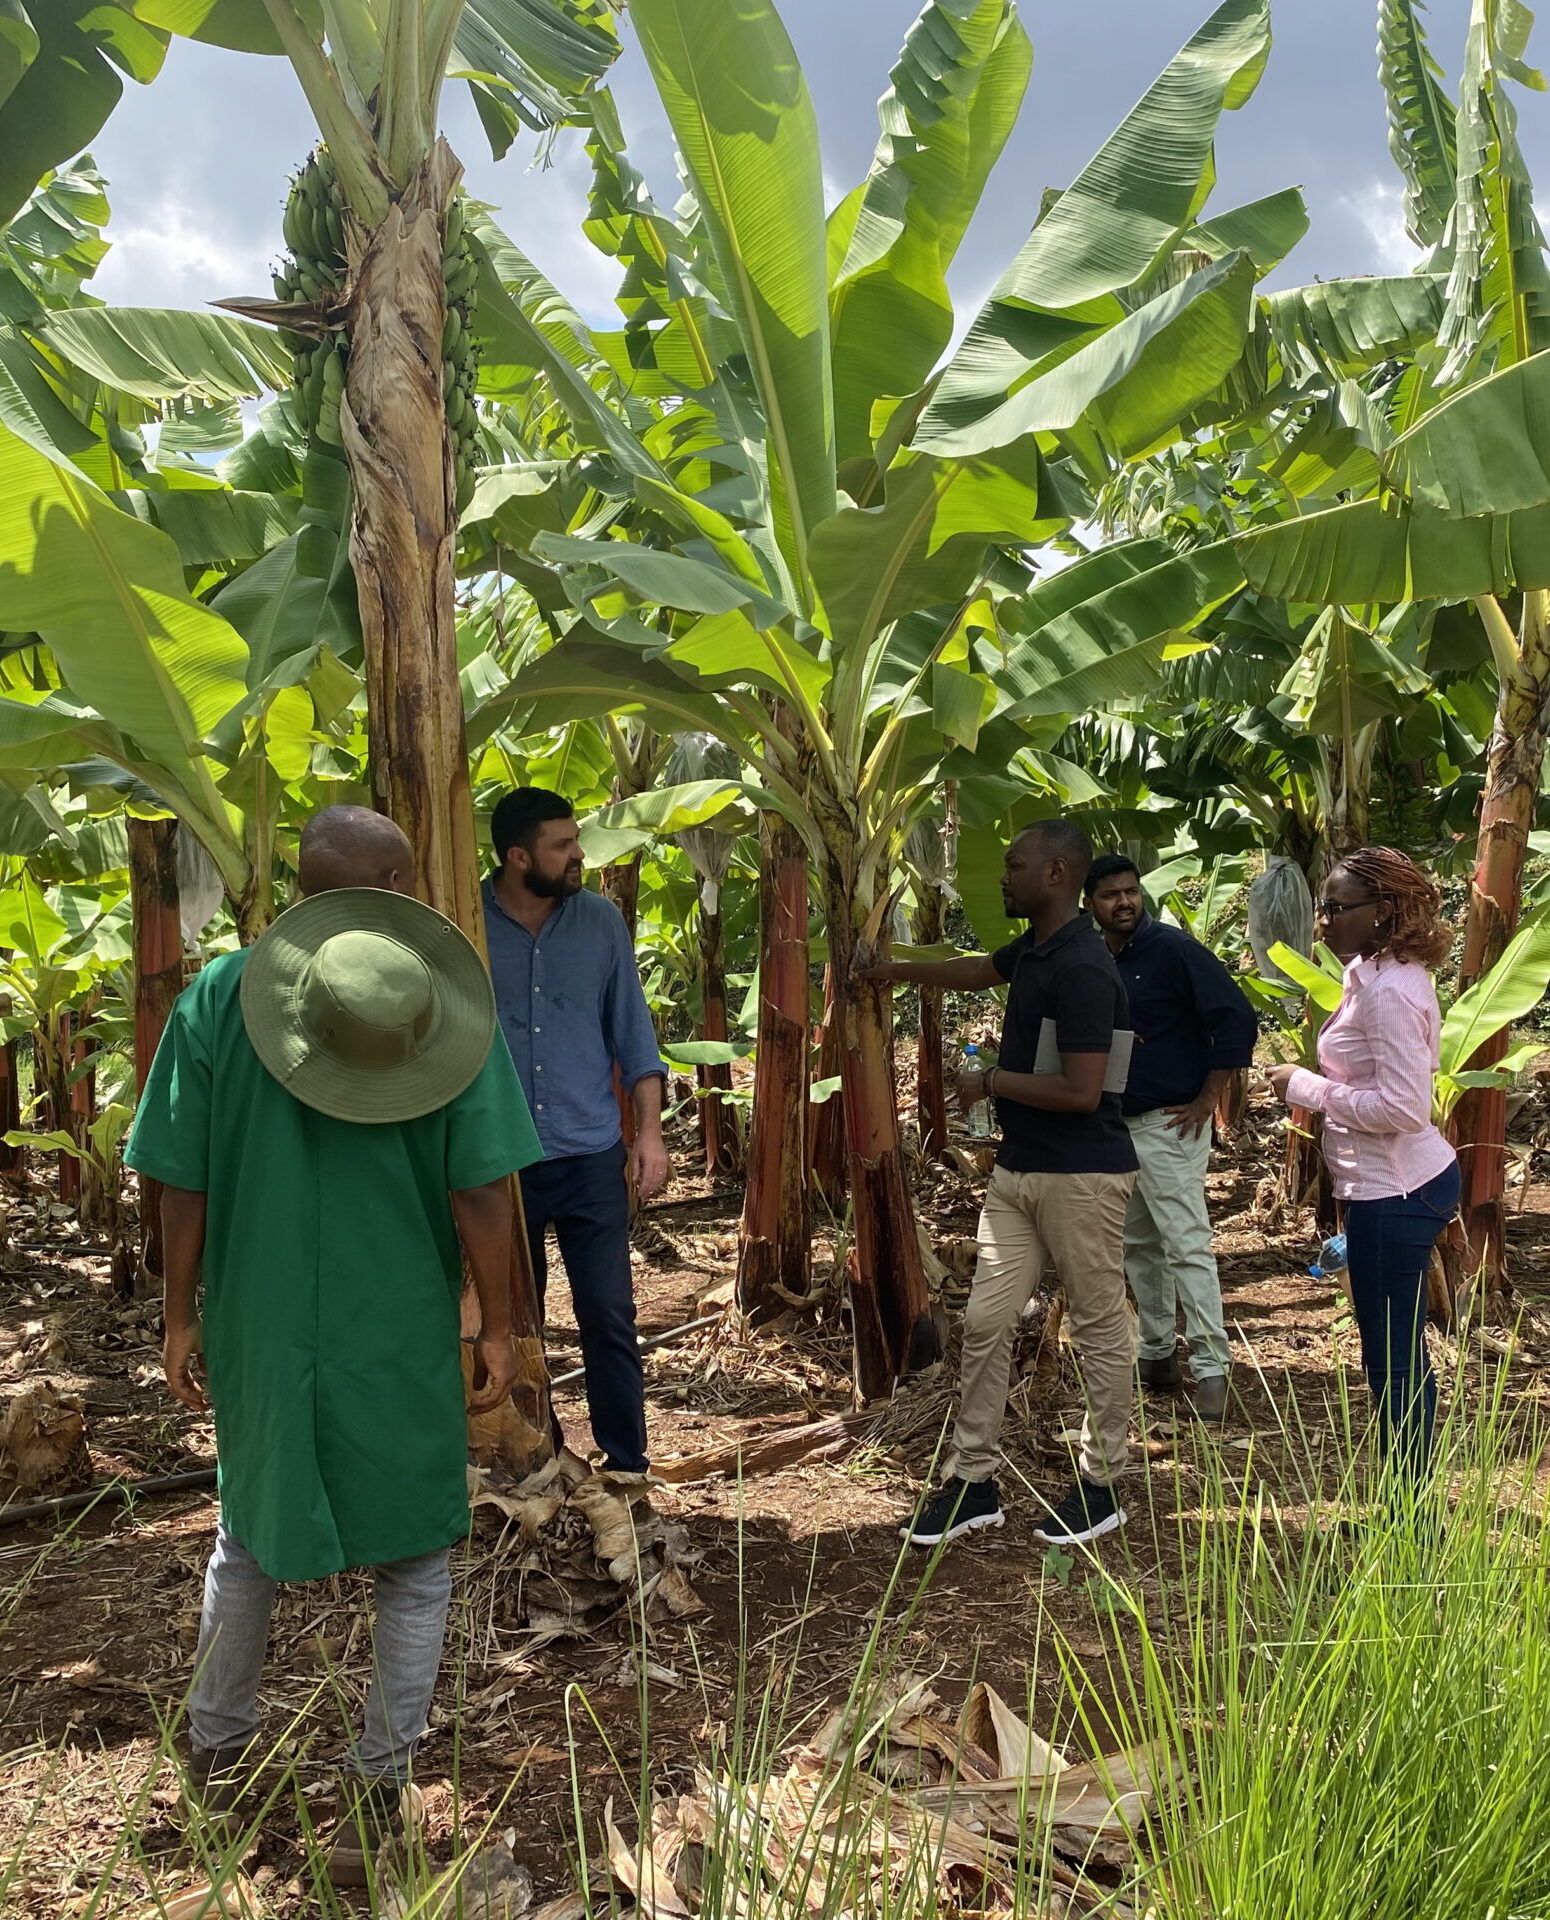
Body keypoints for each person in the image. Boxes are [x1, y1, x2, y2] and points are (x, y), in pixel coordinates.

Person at [124, 806, 543, 1888]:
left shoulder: (217, 1000)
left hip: (259, 1322)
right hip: (395, 1327)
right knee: (413, 1560)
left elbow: (180, 1181)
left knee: (248, 1538)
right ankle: (375, 1790)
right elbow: (481, 1192)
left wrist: (180, 1316)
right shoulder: (444, 1008)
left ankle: (215, 1760)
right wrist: (498, 1324)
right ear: (396, 884)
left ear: (300, 890)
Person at [865, 820, 1139, 1549]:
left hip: (1082, 1176)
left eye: (1014, 865)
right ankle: (973, 1480)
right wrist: (893, 970)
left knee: (1100, 1326)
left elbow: (1084, 1090)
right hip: (1018, 1175)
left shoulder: (1083, 966)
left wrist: (985, 1080)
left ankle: (1102, 1482)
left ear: (1055, 874)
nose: (1003, 876)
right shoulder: (1039, 948)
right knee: (986, 1321)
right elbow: (980, 970)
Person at [483, 788, 668, 1476]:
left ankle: (627, 1462)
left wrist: (648, 1135)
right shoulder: (465, 921)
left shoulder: (599, 922)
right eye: (562, 846)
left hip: (591, 1151)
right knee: (513, 1325)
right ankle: (541, 1457)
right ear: (518, 856)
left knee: (608, 1315)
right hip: (500, 1160)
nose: (579, 855)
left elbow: (634, 1033)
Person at [1267, 847, 1459, 1486]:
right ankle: (1410, 1503)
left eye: (1336, 909)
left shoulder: (1390, 992)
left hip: (1396, 1188)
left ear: (1384, 912)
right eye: (1323, 907)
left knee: (1392, 1360)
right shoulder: (1373, 973)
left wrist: (1306, 1087)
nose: (1322, 922)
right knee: (1394, 1351)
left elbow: (1405, 1108)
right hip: (1390, 1184)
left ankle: (1414, 1517)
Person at [1085, 854, 1258, 1422]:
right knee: (1137, 1244)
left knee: (1185, 1242)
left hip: (1170, 1122)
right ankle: (1157, 1353)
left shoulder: (1174, 950)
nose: (1125, 902)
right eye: (1111, 895)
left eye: (1132, 891)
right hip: (1114, 1124)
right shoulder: (1089, 956)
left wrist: (1209, 1099)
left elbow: (1235, 1016)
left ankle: (1212, 1366)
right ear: (1092, 904)